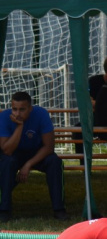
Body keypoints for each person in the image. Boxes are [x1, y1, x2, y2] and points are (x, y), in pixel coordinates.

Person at [0, 91, 67, 222]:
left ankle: (59, 209)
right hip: (14, 153)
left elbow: (49, 147)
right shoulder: (4, 117)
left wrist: (28, 165)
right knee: (6, 163)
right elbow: (7, 150)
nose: (17, 113)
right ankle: (4, 210)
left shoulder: (41, 114)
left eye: (22, 109)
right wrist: (20, 127)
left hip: (36, 153)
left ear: (30, 108)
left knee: (55, 162)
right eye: (14, 109)